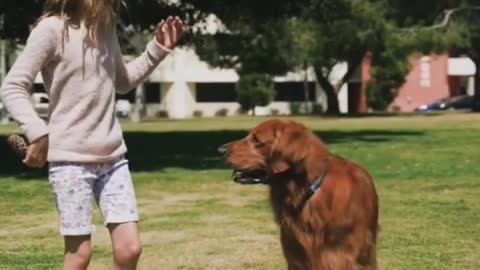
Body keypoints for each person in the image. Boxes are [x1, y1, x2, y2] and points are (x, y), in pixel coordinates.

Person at [0, 0, 183, 269]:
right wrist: (38, 133)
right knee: (79, 255)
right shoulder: (51, 30)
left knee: (129, 249)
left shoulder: (104, 27)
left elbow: (122, 82)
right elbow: (13, 86)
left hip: (113, 158)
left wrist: (157, 50)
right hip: (70, 164)